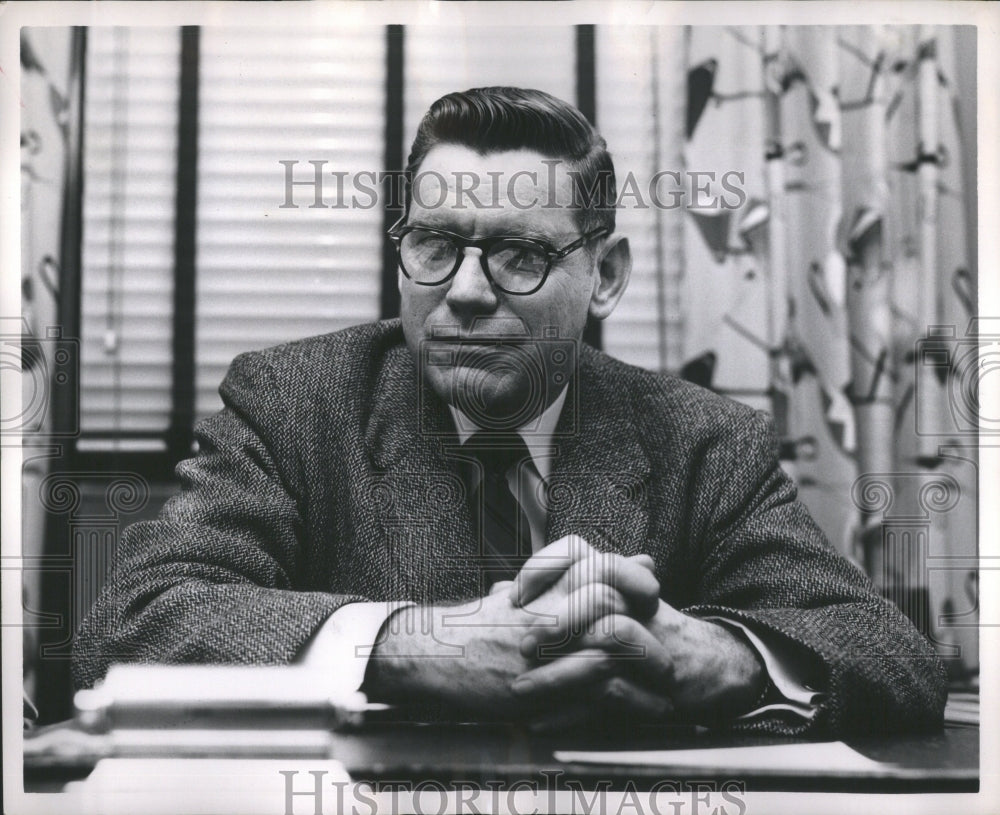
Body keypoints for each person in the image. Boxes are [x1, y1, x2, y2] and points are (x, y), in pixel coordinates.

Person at [72, 87, 946, 736]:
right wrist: (409, 646)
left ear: (604, 275)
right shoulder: (293, 402)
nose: (464, 294)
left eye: (520, 254)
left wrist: (710, 658)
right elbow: (131, 622)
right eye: (435, 245)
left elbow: (888, 651)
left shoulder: (703, 439)